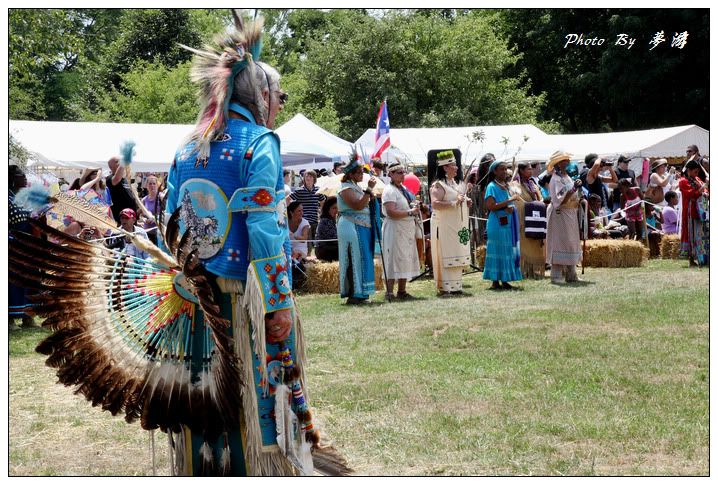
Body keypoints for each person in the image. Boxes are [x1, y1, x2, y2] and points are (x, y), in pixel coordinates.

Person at [161, 11, 326, 475]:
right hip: (240, 303)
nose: (278, 105)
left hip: (195, 303)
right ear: (262, 94)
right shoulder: (259, 143)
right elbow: (264, 230)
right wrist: (276, 305)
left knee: (204, 389)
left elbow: (170, 224)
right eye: (278, 96)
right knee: (254, 394)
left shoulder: (186, 147)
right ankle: (257, 470)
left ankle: (203, 469)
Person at [430, 150, 471, 296]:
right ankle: (446, 287)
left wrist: (466, 201)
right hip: (445, 225)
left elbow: (459, 199)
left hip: (456, 225)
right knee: (446, 252)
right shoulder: (438, 185)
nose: (457, 168)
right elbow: (435, 204)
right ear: (445, 167)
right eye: (453, 165)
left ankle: (456, 286)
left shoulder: (455, 183)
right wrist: (455, 202)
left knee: (457, 250)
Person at [337, 154, 377, 304]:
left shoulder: (355, 187)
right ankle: (354, 294)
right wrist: (368, 191)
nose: (362, 175)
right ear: (350, 174)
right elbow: (357, 205)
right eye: (359, 172)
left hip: (361, 227)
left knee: (362, 258)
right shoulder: (345, 188)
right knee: (354, 258)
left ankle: (362, 293)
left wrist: (368, 196)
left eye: (362, 172)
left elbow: (363, 203)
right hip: (350, 226)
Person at [381, 161, 421, 301]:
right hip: (395, 228)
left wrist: (415, 208)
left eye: (403, 172)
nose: (402, 175)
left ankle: (402, 291)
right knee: (393, 258)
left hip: (406, 229)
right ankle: (389, 292)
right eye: (399, 173)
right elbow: (391, 212)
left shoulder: (403, 189)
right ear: (391, 174)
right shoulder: (389, 190)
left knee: (405, 257)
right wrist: (410, 212)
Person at [483, 160, 522, 289]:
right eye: (501, 169)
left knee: (505, 251)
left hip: (506, 223)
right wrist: (509, 201)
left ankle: (504, 280)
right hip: (496, 223)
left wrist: (508, 207)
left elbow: (503, 204)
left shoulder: (506, 186)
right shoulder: (491, 187)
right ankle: (495, 281)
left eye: (506, 169)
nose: (504, 172)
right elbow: (491, 206)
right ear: (494, 171)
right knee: (496, 250)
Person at [545, 151, 583, 284]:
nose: (566, 162)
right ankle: (556, 275)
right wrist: (573, 189)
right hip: (560, 213)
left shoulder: (567, 176)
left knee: (571, 242)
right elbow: (560, 199)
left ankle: (571, 273)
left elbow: (571, 192)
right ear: (557, 163)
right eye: (563, 160)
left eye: (567, 159)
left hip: (570, 212)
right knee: (560, 241)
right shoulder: (555, 179)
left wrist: (577, 190)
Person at [510, 161, 546, 279]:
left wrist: (539, 203)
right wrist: (531, 205)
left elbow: (540, 198)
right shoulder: (515, 185)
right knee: (525, 244)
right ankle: (523, 270)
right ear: (521, 170)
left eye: (531, 169)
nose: (531, 171)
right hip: (523, 220)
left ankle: (534, 270)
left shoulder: (532, 184)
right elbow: (516, 202)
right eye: (528, 169)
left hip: (535, 220)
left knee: (535, 244)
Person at [678, 159, 709, 266]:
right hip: (690, 212)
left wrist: (705, 190)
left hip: (700, 211)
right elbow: (692, 194)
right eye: (695, 172)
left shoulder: (697, 179)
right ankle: (692, 259)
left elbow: (705, 192)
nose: (696, 174)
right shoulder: (683, 181)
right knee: (691, 234)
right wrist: (704, 187)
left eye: (697, 172)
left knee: (701, 234)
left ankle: (703, 258)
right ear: (689, 170)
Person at [290, 169, 325, 253]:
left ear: (314, 178)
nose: (308, 178)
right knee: (307, 244)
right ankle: (307, 260)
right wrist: (291, 214)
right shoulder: (299, 190)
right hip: (304, 221)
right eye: (306, 176)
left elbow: (323, 201)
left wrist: (321, 213)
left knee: (317, 243)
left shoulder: (318, 190)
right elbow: (288, 199)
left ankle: (314, 260)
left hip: (315, 220)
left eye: (310, 176)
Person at [106, 155, 138, 223]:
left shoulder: (125, 180)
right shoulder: (109, 178)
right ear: (111, 167)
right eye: (117, 161)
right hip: (122, 219)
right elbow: (116, 179)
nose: (121, 163)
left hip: (131, 218)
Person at [314, 196, 339, 262]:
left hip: (329, 248)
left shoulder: (333, 220)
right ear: (328, 209)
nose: (337, 210)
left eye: (337, 208)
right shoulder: (325, 220)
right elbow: (333, 239)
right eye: (334, 208)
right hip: (323, 250)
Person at [140, 175, 161, 244]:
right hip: (147, 232)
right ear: (146, 186)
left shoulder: (161, 197)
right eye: (150, 184)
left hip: (158, 232)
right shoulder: (144, 200)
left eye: (154, 184)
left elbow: (165, 213)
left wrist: (154, 219)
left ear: (157, 185)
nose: (152, 186)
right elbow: (141, 215)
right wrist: (144, 219)